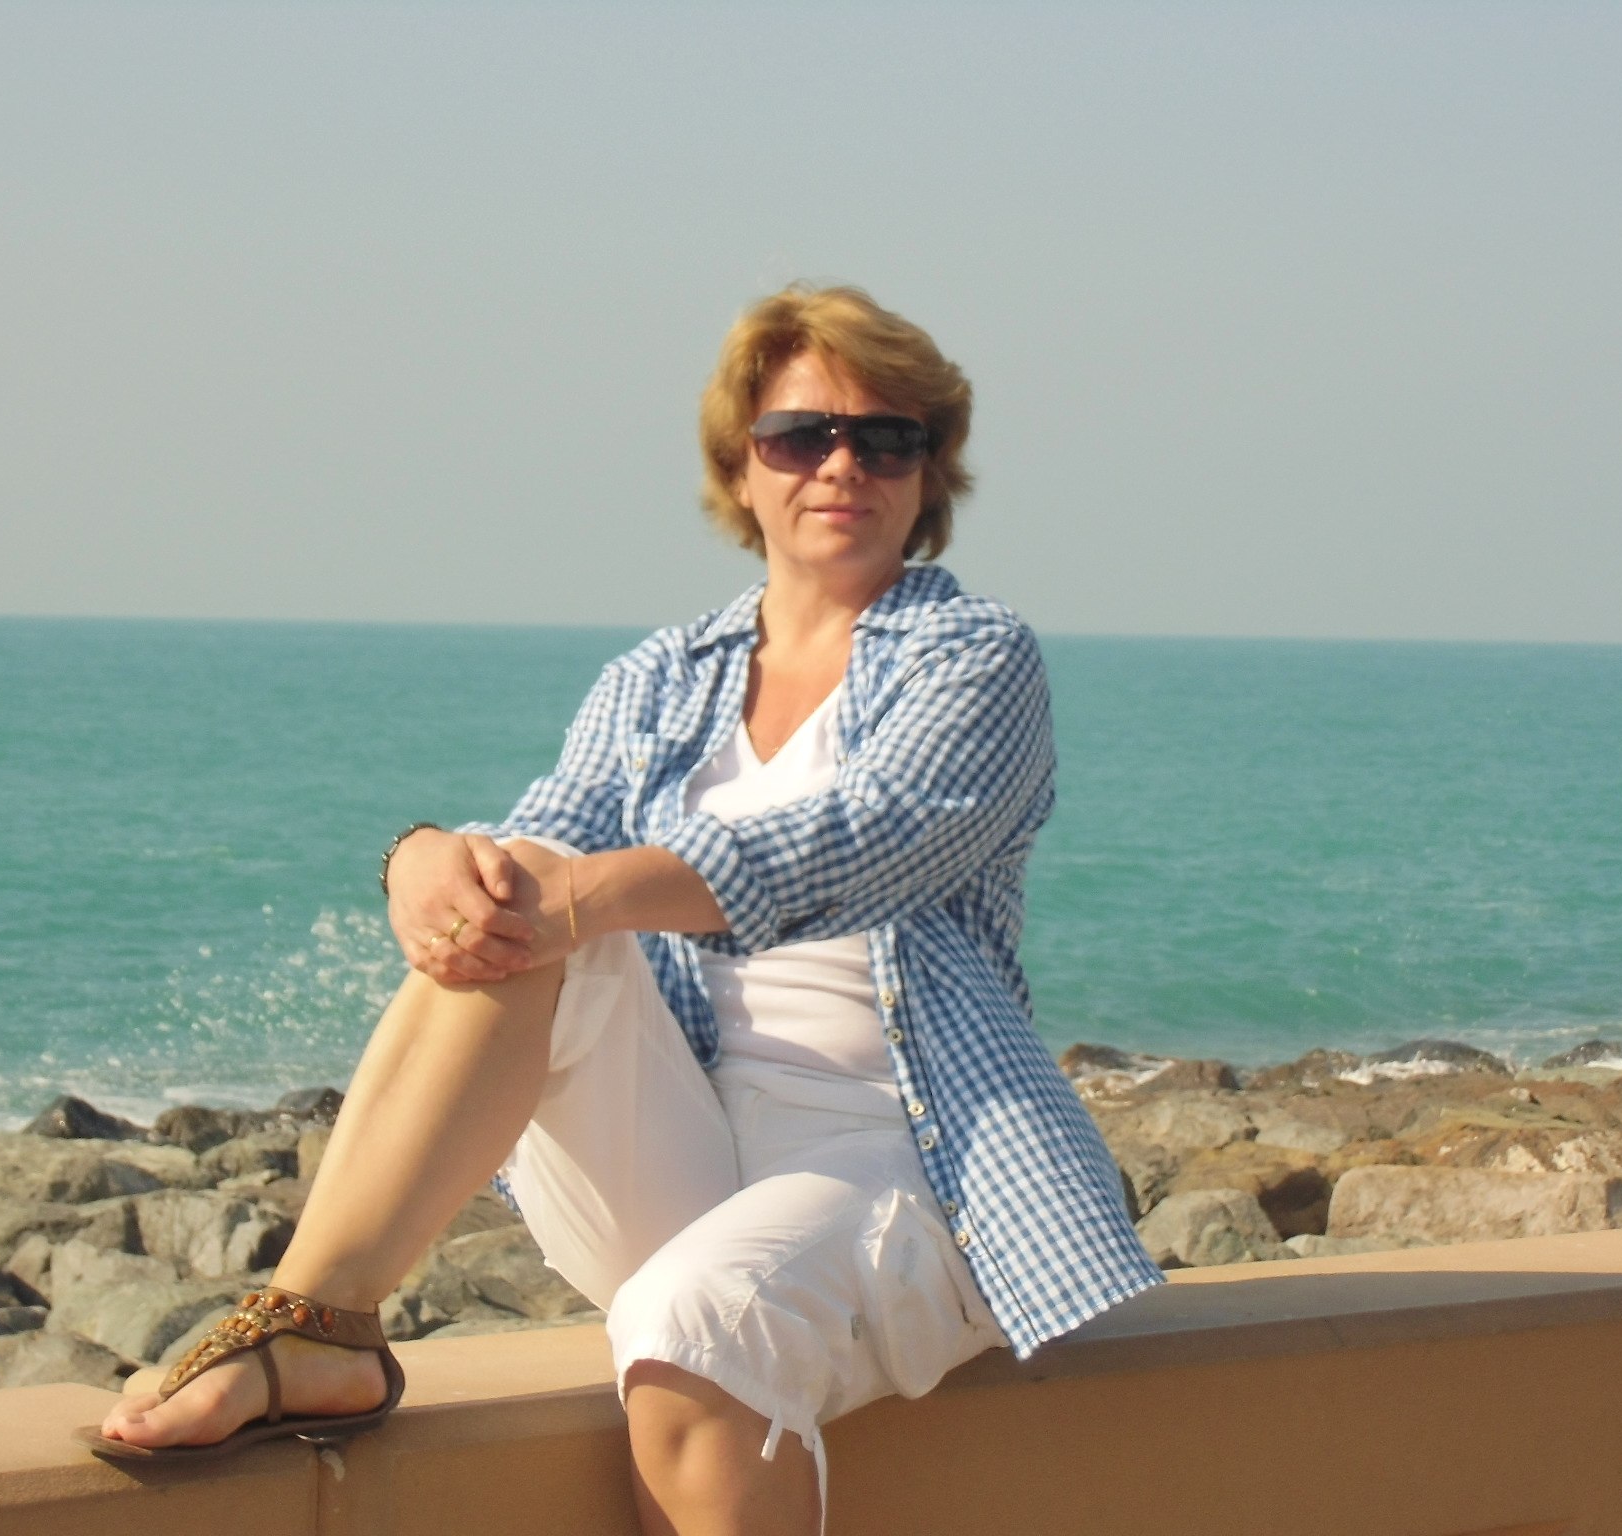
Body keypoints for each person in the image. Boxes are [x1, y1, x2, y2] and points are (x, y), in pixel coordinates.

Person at [80, 284, 1164, 1533]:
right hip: (685, 1139)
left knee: (691, 1321)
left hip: (902, 1150)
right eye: (800, 435)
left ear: (928, 472)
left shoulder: (973, 656)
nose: (841, 465)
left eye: (885, 438)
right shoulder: (659, 676)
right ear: (740, 465)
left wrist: (578, 893)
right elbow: (540, 845)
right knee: (508, 894)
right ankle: (319, 1322)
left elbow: (862, 840)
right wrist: (422, 858)